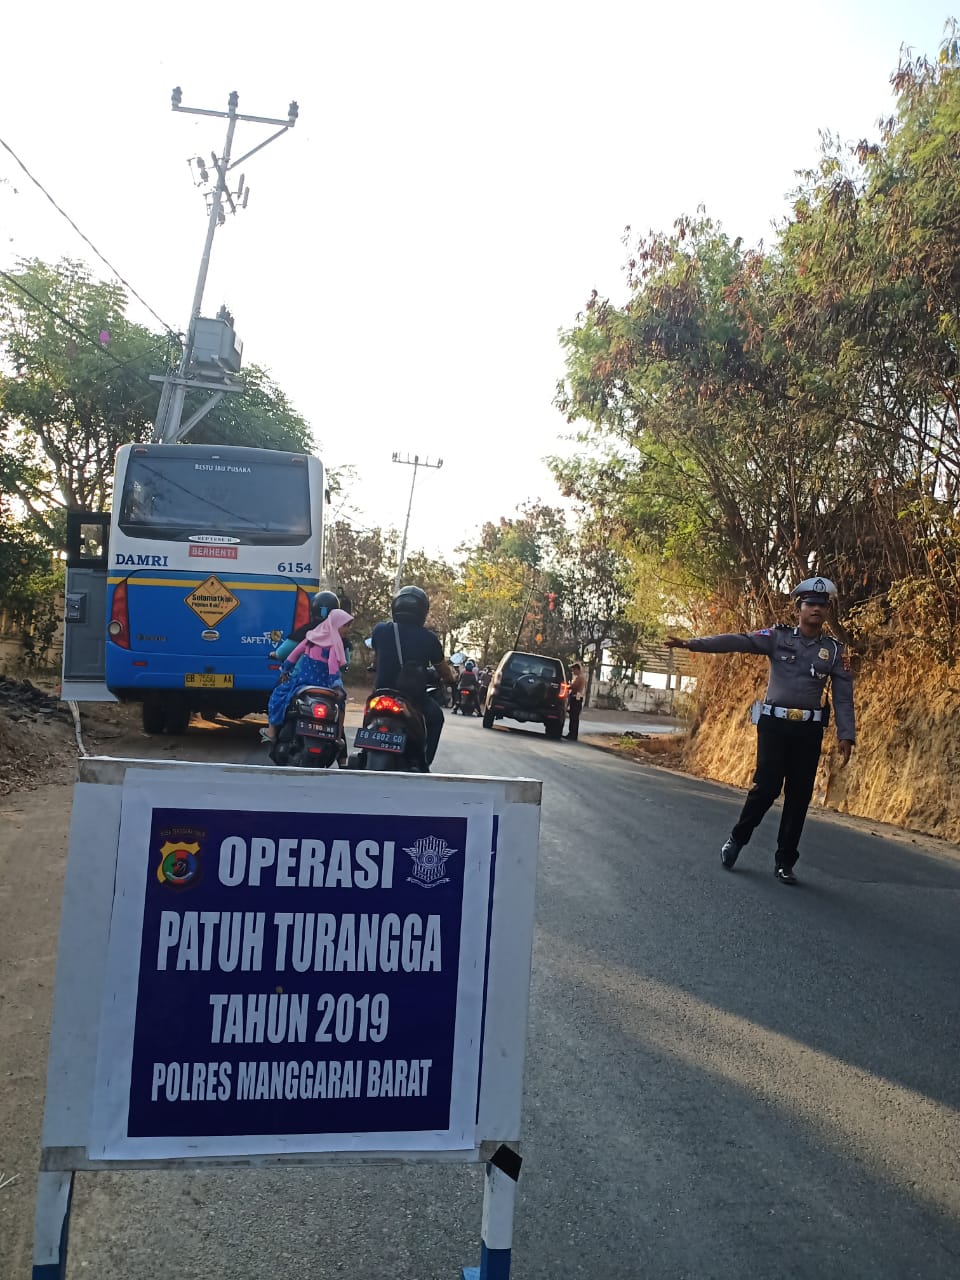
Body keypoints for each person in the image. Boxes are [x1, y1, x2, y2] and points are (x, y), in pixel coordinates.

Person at [665, 576, 855, 884]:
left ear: (827, 610)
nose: (816, 610)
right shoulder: (778, 638)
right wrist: (692, 644)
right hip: (775, 726)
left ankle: (784, 862)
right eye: (810, 604)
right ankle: (737, 840)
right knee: (766, 787)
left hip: (808, 731)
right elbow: (737, 640)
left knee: (799, 795)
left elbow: (844, 694)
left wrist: (846, 733)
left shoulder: (834, 652)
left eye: (822, 605)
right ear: (799, 609)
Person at [369, 586, 455, 767]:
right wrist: (450, 681)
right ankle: (424, 763)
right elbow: (444, 672)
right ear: (422, 611)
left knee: (369, 711)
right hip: (413, 698)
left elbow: (376, 661)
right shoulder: (429, 638)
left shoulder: (380, 630)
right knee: (436, 717)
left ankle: (365, 746)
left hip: (381, 692)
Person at [261, 608, 353, 742]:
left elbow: (294, 655)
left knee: (278, 695)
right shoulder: (334, 644)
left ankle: (271, 731)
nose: (347, 630)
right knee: (341, 706)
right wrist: (337, 687)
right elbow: (333, 668)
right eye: (345, 625)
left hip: (303, 683)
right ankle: (338, 736)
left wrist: (285, 670)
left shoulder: (311, 638)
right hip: (326, 685)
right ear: (335, 624)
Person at [565, 662, 586, 740]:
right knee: (574, 717)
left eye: (573, 670)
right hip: (577, 698)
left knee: (573, 717)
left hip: (576, 699)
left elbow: (573, 686)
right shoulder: (580, 677)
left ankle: (572, 734)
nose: (573, 672)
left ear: (577, 669)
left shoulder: (579, 678)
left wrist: (566, 686)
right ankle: (573, 734)